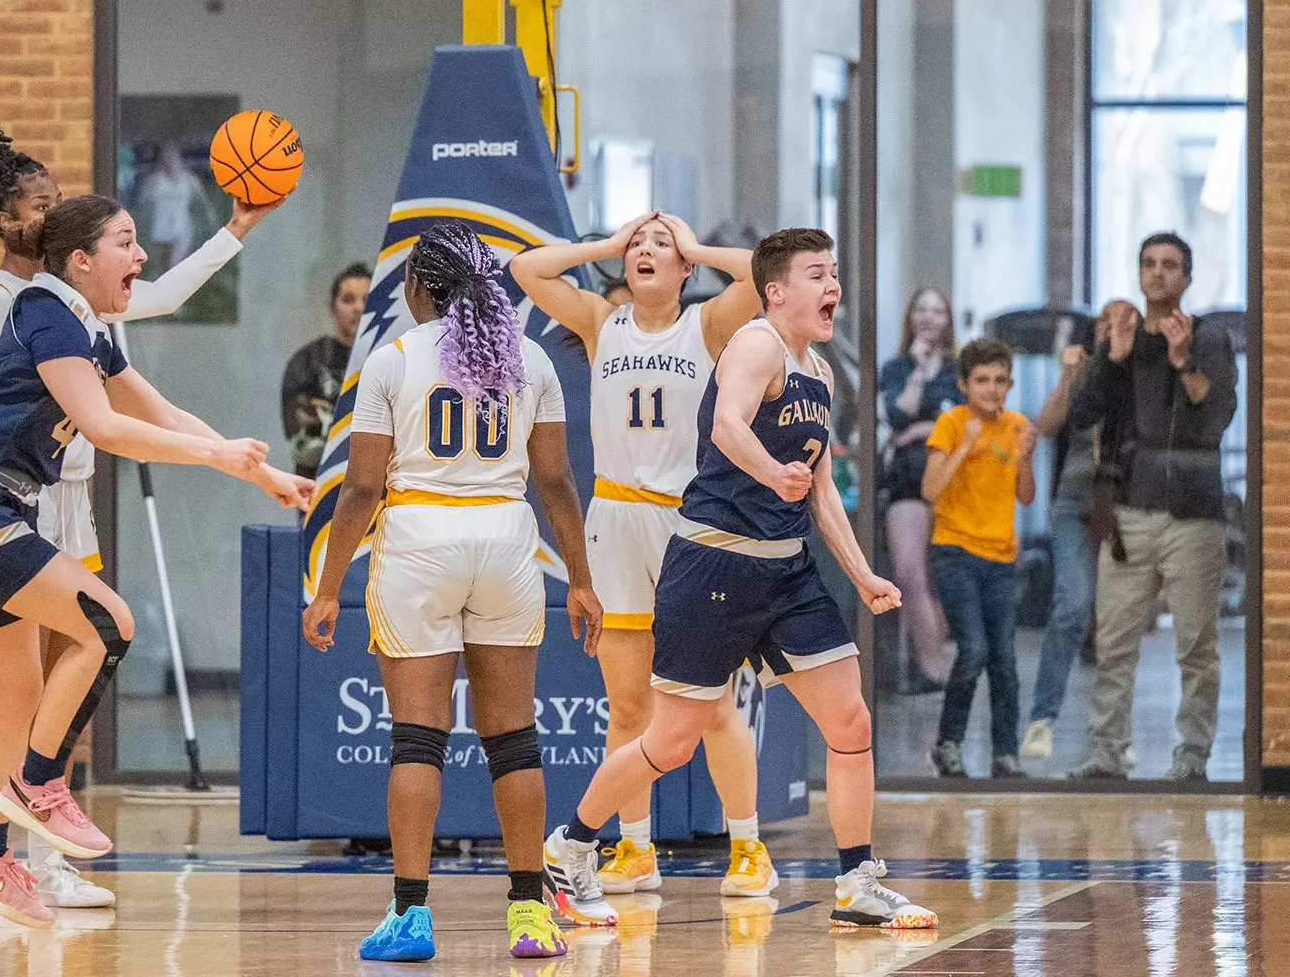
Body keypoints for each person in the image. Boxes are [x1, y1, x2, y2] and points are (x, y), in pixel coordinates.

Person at [0, 193, 310, 927]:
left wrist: (260, 472)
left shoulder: (87, 326)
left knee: (14, 696)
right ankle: (39, 784)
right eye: (127, 243)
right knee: (108, 621)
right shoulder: (46, 308)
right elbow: (103, 427)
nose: (142, 257)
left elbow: (163, 414)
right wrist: (213, 452)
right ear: (81, 259)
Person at [542, 228, 936, 931]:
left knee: (850, 721)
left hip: (785, 568)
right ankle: (571, 844)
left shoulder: (819, 371)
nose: (833, 288)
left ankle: (856, 880)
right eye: (818, 275)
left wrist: (864, 572)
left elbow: (817, 492)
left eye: (835, 275)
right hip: (715, 563)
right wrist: (767, 471)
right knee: (670, 741)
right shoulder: (755, 344)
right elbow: (726, 425)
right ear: (778, 290)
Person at [304, 221, 602, 962]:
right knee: (514, 738)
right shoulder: (531, 359)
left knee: (417, 737)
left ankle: (410, 916)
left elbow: (362, 487)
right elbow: (558, 481)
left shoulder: (393, 360)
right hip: (506, 539)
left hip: (420, 542)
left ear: (414, 289)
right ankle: (530, 913)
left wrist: (325, 589)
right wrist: (584, 581)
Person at [512, 211, 774, 903]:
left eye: (662, 245)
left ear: (685, 267)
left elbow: (764, 269)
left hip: (691, 524)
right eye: (639, 245)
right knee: (627, 704)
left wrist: (693, 243)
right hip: (617, 518)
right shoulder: (602, 323)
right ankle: (634, 850)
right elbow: (525, 269)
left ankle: (749, 848)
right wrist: (604, 243)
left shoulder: (710, 325)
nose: (647, 251)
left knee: (711, 702)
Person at [1070, 233, 1237, 781]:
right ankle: (1105, 751)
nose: (1158, 274)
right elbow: (1085, 412)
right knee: (1114, 639)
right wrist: (1112, 359)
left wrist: (1183, 359)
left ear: (1187, 278)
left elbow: (1213, 416)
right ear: (1139, 274)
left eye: (1170, 266)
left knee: (1195, 643)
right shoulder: (1123, 336)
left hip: (1194, 512)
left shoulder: (1209, 338)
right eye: (1149, 264)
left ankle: (1191, 755)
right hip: (1129, 511)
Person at [1021, 302, 1135, 762]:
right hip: (1073, 501)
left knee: (1119, 620)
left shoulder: (1137, 375)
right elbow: (1045, 426)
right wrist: (1068, 375)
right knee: (1071, 605)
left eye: (1123, 321)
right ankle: (1042, 721)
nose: (1113, 329)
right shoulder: (1084, 373)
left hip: (1125, 502)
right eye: (1105, 321)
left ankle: (1114, 737)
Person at [920, 338, 1037, 778]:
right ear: (964, 384)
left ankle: (1005, 753)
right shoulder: (952, 424)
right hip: (955, 553)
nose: (991, 389)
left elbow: (1026, 496)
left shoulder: (1017, 426)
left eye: (1000, 381)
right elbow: (930, 490)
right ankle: (948, 745)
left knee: (1004, 660)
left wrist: (1026, 459)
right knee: (973, 650)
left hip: (1002, 560)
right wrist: (964, 447)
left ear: (1010, 384)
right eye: (982, 380)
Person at [878, 288, 958, 690]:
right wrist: (918, 372)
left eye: (937, 310)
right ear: (911, 317)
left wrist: (924, 431)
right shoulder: (895, 369)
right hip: (907, 482)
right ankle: (934, 667)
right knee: (909, 574)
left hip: (952, 484)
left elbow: (964, 425)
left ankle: (937, 659)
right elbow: (897, 415)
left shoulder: (960, 370)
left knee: (944, 577)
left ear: (948, 320)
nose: (928, 317)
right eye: (921, 309)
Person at [281, 263, 371, 477]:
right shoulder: (307, 361)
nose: (358, 307)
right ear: (333, 305)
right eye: (348, 299)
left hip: (375, 488)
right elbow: (302, 445)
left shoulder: (391, 359)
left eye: (366, 300)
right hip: (318, 486)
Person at [134, 147, 211, 268]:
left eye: (173, 158)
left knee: (175, 264)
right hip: (159, 227)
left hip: (181, 227)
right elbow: (142, 204)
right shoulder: (154, 180)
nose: (170, 161)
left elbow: (204, 204)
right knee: (161, 268)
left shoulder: (190, 180)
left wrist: (209, 221)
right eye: (166, 158)